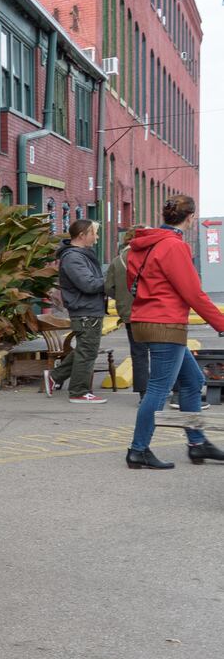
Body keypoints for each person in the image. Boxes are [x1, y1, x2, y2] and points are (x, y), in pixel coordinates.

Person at [125, 194, 224, 469]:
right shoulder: (173, 247)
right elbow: (193, 293)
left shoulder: (142, 244)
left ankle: (197, 443)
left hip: (144, 320)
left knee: (192, 381)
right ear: (190, 218)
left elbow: (132, 282)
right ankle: (139, 449)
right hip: (166, 324)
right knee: (158, 389)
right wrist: (221, 323)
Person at [45, 218, 108, 403]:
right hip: (85, 310)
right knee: (87, 352)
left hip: (88, 309)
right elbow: (87, 284)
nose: (96, 238)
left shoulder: (79, 255)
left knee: (85, 349)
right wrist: (111, 282)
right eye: (93, 234)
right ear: (82, 235)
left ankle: (54, 377)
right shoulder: (74, 257)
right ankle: (79, 392)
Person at [103, 227, 148, 397]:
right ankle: (163, 390)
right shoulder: (150, 256)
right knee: (162, 352)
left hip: (129, 313)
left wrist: (122, 297)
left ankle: (143, 392)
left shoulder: (117, 260)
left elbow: (108, 287)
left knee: (138, 353)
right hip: (153, 312)